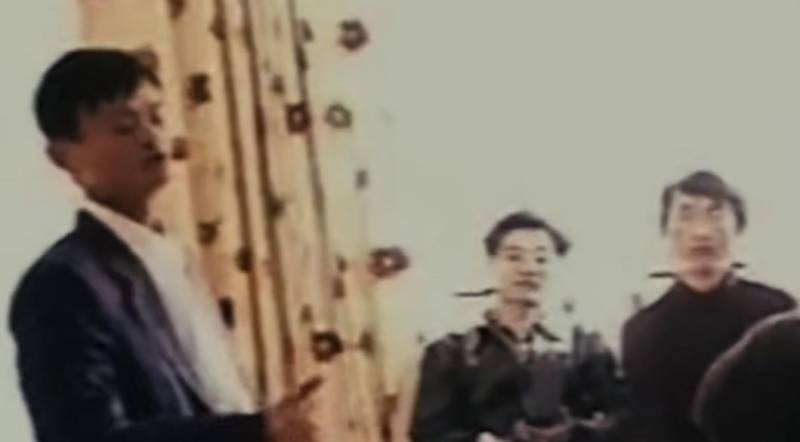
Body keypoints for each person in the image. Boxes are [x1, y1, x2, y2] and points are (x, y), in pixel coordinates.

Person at [9, 48, 319, 442]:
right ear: (63, 156)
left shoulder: (172, 258)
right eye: (124, 127)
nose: (151, 137)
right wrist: (255, 430)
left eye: (156, 117)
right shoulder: (62, 283)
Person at [410, 211, 624, 442]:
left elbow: (618, 421)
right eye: (514, 257)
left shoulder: (587, 347)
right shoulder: (452, 352)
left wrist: (575, 432)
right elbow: (428, 434)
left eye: (541, 259)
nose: (529, 268)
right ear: (491, 263)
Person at [620, 170, 796, 442]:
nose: (701, 231)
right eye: (686, 214)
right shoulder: (641, 331)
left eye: (715, 214)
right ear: (666, 230)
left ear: (738, 227)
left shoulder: (778, 313)